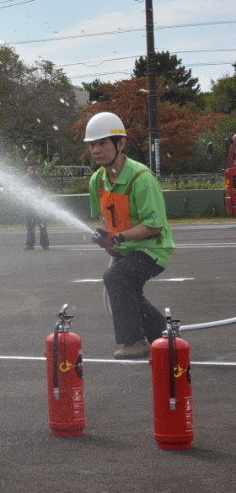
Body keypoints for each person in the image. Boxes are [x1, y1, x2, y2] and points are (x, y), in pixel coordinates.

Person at [85, 112, 175, 360]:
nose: (96, 150)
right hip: (127, 248)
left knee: (115, 277)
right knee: (128, 289)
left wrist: (119, 238)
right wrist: (106, 237)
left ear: (120, 144)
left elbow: (154, 226)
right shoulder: (97, 180)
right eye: (92, 144)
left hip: (153, 249)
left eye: (102, 143)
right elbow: (103, 217)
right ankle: (164, 337)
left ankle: (135, 342)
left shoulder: (141, 178)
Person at [23, 160, 50, 250]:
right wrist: (28, 174)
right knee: (30, 227)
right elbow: (20, 183)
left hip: (41, 206)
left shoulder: (41, 176)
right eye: (32, 167)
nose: (34, 169)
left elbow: (45, 184)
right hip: (29, 206)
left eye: (35, 167)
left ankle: (45, 244)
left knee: (43, 226)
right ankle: (30, 244)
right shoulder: (27, 177)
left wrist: (38, 176)